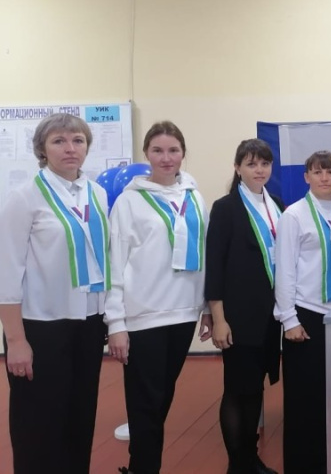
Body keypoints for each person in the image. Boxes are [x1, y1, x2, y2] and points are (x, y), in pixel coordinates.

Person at [0, 113, 110, 473]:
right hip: (40, 327)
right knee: (38, 423)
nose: (70, 148)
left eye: (78, 140)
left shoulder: (97, 194)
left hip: (89, 323)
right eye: (59, 141)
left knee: (80, 417)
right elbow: (6, 273)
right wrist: (16, 340)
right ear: (42, 149)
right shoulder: (24, 197)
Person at [106, 121, 212, 474]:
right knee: (145, 403)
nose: (166, 158)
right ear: (146, 154)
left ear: (183, 153)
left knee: (161, 398)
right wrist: (116, 323)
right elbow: (114, 264)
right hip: (143, 316)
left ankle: (142, 464)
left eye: (173, 150)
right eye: (158, 151)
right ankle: (142, 467)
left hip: (184, 314)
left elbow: (205, 255)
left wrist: (207, 307)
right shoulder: (129, 201)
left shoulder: (194, 196)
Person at [204, 139, 283, 474]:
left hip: (270, 316)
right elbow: (215, 265)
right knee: (237, 391)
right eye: (251, 164)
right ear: (237, 168)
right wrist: (218, 318)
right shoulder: (226, 208)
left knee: (254, 390)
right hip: (238, 316)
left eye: (264, 163)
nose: (259, 170)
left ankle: (250, 459)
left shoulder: (276, 204)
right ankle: (237, 465)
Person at [274, 151, 331, 474]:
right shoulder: (294, 215)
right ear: (306, 177)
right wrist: (289, 318)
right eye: (317, 172)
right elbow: (284, 270)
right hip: (306, 316)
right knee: (304, 400)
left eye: (330, 172)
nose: (324, 178)